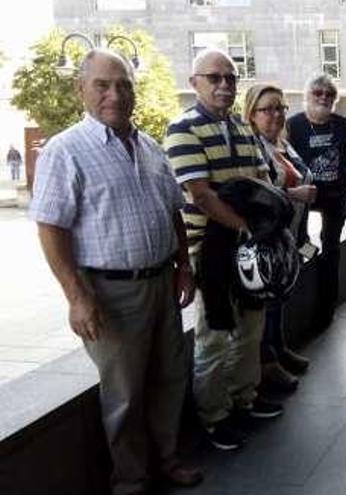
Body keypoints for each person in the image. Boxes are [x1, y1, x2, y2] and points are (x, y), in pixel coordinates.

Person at [29, 49, 202, 495]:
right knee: (124, 395)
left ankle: (166, 460)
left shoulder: (148, 147)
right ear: (80, 89)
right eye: (102, 85)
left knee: (170, 377)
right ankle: (130, 480)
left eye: (123, 84)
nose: (115, 94)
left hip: (162, 282)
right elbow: (50, 227)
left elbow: (173, 211)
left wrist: (184, 266)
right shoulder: (65, 151)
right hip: (109, 294)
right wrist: (77, 297)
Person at [164, 49, 280, 452]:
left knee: (251, 327)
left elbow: (262, 183)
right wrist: (250, 226)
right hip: (209, 250)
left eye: (230, 78)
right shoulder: (182, 129)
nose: (224, 85)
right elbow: (201, 196)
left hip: (249, 248)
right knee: (214, 336)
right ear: (194, 81)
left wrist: (263, 224)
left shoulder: (244, 129)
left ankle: (243, 400)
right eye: (214, 77)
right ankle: (215, 416)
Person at [243, 83, 317, 394]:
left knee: (279, 300)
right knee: (267, 303)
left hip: (289, 236)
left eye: (280, 108)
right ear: (251, 114)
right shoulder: (253, 147)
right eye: (268, 109)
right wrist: (294, 193)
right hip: (267, 240)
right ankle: (267, 364)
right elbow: (255, 194)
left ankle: (279, 348)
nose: (276, 114)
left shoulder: (282, 144)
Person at [286, 74, 346, 330]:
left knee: (331, 250)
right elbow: (280, 157)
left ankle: (325, 311)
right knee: (301, 245)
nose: (323, 98)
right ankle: (300, 299)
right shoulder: (293, 125)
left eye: (329, 94)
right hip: (305, 198)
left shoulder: (341, 124)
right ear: (307, 96)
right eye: (318, 93)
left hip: (335, 197)